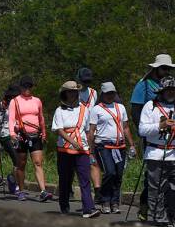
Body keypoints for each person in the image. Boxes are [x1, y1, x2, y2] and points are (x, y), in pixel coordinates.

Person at [130, 53, 174, 221]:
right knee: (153, 177)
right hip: (151, 133)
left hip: (170, 139)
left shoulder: (170, 85)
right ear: (156, 69)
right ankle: (146, 207)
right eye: (164, 68)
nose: (167, 71)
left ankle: (167, 214)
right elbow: (135, 111)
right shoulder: (144, 85)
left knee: (166, 181)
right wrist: (148, 134)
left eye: (169, 68)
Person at [52, 81, 100, 218]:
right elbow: (59, 130)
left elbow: (87, 131)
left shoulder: (85, 110)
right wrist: (72, 141)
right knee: (65, 179)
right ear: (65, 93)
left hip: (82, 149)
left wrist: (90, 150)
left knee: (85, 178)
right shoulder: (59, 110)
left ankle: (88, 209)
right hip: (64, 149)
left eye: (75, 91)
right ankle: (64, 204)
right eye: (70, 91)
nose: (73, 93)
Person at [88, 82, 136, 214]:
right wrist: (91, 151)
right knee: (110, 172)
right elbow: (91, 131)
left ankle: (114, 202)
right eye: (107, 93)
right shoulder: (97, 109)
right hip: (104, 145)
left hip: (120, 145)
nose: (110, 96)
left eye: (112, 93)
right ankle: (104, 200)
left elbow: (126, 127)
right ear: (103, 94)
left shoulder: (120, 107)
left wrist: (131, 144)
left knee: (118, 175)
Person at [138, 75, 175, 227]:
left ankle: (171, 217)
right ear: (162, 91)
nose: (171, 93)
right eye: (168, 90)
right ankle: (158, 218)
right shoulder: (150, 106)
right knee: (156, 189)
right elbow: (142, 130)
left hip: (174, 154)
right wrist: (161, 125)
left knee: (172, 189)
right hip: (155, 154)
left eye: (173, 90)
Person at [8, 75, 52, 202]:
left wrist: (43, 132)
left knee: (38, 162)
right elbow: (11, 119)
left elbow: (41, 118)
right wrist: (12, 133)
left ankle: (43, 191)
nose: (27, 88)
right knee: (21, 164)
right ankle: (21, 191)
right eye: (25, 86)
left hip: (35, 134)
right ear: (20, 87)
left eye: (30, 86)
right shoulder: (15, 101)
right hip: (21, 136)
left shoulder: (37, 101)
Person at [76, 67, 101, 202]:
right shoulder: (73, 92)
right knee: (76, 162)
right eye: (83, 81)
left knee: (93, 160)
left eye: (87, 81)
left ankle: (97, 191)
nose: (85, 84)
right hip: (77, 130)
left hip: (91, 130)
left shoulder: (93, 93)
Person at [0, 84, 22, 192]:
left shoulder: (20, 105)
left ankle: (12, 179)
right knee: (16, 159)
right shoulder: (2, 106)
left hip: (18, 135)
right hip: (6, 135)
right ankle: (15, 183)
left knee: (19, 162)